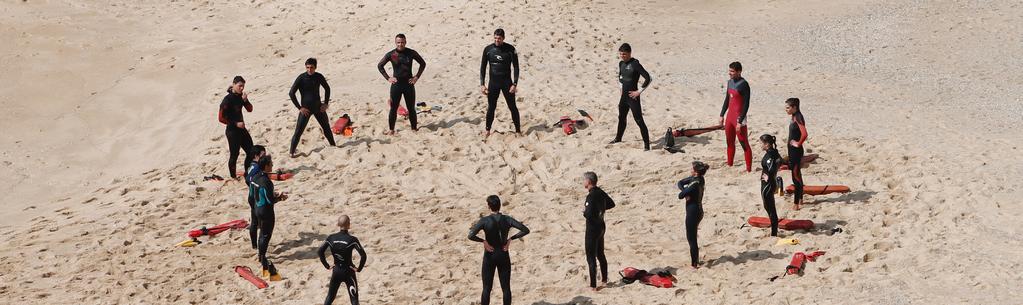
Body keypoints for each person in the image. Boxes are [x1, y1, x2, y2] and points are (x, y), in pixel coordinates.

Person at [468, 195, 530, 305]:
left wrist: (483, 241)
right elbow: (525, 230)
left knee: (486, 288)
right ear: (500, 206)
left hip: (490, 255)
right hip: (503, 253)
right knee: (506, 288)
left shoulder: (484, 221)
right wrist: (511, 239)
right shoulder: (507, 219)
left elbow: (471, 235)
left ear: (488, 206)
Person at [377, 33, 426, 135]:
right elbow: (380, 66)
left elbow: (423, 63)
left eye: (402, 42)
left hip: (409, 84)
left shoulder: (411, 53)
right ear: (395, 43)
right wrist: (388, 78)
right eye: (398, 42)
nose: (400, 44)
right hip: (396, 85)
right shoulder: (391, 54)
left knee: (411, 108)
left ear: (405, 42)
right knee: (393, 108)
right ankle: (391, 129)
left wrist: (416, 77)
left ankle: (414, 128)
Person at [250, 155, 289, 279]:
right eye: (271, 164)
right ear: (266, 166)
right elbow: (270, 200)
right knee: (265, 235)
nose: (272, 165)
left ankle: (258, 252)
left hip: (256, 208)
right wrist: (280, 198)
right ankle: (262, 257)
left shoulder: (255, 177)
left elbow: (251, 195)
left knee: (260, 231)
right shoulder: (267, 182)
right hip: (266, 211)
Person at [289, 58, 336, 157]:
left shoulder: (318, 76)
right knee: (298, 131)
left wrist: (325, 103)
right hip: (306, 110)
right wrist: (300, 108)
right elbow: (291, 93)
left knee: (326, 127)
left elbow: (327, 89)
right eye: (308, 67)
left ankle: (333, 145)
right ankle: (291, 152)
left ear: (315, 67)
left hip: (318, 108)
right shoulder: (301, 78)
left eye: (312, 68)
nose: (309, 70)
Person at [609, 43, 652, 150]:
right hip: (624, 97)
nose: (622, 56)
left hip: (633, 98)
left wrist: (639, 91)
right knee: (621, 118)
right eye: (620, 54)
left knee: (639, 120)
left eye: (624, 54)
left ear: (629, 53)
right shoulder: (621, 64)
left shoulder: (635, 64)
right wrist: (621, 89)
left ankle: (647, 145)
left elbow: (648, 78)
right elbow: (620, 78)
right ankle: (618, 138)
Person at [480, 28, 521, 138]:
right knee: (491, 107)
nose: (497, 40)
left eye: (499, 38)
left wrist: (515, 84)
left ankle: (518, 130)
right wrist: (482, 84)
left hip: (507, 83)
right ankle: (487, 130)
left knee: (512, 107)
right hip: (493, 83)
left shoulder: (510, 49)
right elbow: (482, 68)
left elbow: (516, 67)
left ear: (503, 38)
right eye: (495, 38)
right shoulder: (488, 50)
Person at [318, 215, 367, 305]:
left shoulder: (331, 238)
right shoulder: (352, 239)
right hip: (349, 271)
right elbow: (363, 256)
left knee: (330, 297)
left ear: (338, 224)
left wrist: (327, 266)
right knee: (354, 299)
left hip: (336, 271)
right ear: (349, 225)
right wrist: (359, 269)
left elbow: (320, 252)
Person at [582, 171, 615, 291]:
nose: (583, 182)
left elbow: (588, 214)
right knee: (600, 254)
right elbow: (611, 204)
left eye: (584, 180)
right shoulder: (600, 192)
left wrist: (585, 212)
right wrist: (600, 209)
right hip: (601, 226)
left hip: (592, 229)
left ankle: (593, 286)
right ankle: (605, 280)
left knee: (591, 257)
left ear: (589, 181)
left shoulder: (591, 196)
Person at [718, 61, 753, 172]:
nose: (730, 73)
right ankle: (730, 164)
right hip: (729, 117)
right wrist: (722, 114)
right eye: (729, 71)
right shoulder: (729, 82)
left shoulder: (744, 84)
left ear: (739, 72)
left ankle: (748, 169)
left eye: (732, 71)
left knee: (744, 143)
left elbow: (746, 104)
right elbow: (727, 99)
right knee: (729, 141)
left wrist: (740, 121)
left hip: (739, 118)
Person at [219, 76, 254, 179]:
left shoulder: (240, 97)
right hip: (232, 131)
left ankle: (248, 173)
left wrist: (245, 100)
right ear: (233, 84)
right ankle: (233, 177)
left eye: (243, 86)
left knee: (251, 151)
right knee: (235, 155)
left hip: (241, 130)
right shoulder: (227, 100)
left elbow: (250, 109)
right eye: (240, 86)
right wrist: (235, 124)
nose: (242, 88)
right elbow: (221, 118)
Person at [676, 161, 709, 268]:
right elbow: (680, 182)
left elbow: (680, 195)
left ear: (695, 172)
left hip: (693, 213)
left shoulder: (695, 183)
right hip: (697, 210)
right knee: (692, 238)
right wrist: (686, 192)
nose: (690, 170)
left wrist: (685, 193)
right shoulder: (697, 179)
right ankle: (696, 260)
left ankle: (694, 263)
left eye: (692, 169)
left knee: (691, 239)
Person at [785, 98, 808, 210]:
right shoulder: (794, 116)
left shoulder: (798, 117)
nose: (786, 109)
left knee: (795, 176)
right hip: (792, 150)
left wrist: (798, 144)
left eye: (788, 107)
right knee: (797, 174)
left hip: (795, 151)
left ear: (795, 107)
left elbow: (804, 134)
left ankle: (796, 203)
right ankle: (800, 199)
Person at [758, 134, 782, 236]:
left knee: (770, 208)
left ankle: (774, 233)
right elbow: (780, 161)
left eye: (761, 143)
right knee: (770, 208)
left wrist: (768, 177)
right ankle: (774, 231)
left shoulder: (769, 155)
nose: (760, 145)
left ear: (767, 144)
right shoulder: (774, 152)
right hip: (771, 184)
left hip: (768, 185)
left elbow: (771, 168)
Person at [245, 144, 267, 249]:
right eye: (263, 155)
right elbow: (248, 179)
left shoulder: (252, 165)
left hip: (252, 195)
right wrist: (255, 186)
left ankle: (254, 245)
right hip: (255, 197)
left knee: (255, 221)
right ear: (256, 156)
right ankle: (256, 245)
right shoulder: (256, 167)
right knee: (256, 222)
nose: (265, 157)